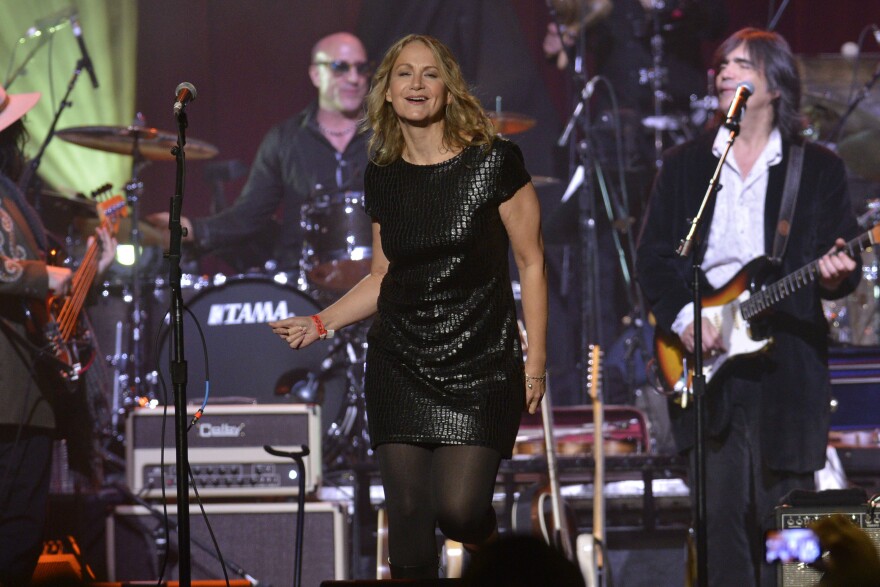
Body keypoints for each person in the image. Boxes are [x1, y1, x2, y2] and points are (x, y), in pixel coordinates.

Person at [270, 34, 548, 579]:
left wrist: (534, 362)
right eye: (404, 74)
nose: (417, 84)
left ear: (448, 88)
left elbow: (532, 262)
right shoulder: (384, 174)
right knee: (412, 533)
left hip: (481, 360)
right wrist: (321, 321)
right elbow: (383, 275)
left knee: (460, 510)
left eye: (429, 73)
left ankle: (497, 556)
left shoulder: (494, 161)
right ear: (388, 93)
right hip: (399, 362)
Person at [635, 28, 861, 586]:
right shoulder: (687, 166)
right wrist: (687, 321)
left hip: (789, 369)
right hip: (707, 367)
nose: (723, 74)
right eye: (721, 66)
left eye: (742, 65)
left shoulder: (821, 169)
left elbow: (836, 268)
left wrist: (839, 273)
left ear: (775, 85)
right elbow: (654, 260)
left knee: (791, 526)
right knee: (720, 522)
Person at [0, 84, 116, 585]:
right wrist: (51, 276)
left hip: (28, 389)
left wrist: (92, 271)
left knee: (21, 532)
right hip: (9, 392)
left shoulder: (10, 195)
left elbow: (50, 303)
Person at [146, 31, 371, 274]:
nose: (354, 78)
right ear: (316, 74)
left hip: (380, 280)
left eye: (361, 68)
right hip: (304, 280)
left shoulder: (387, 135)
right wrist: (189, 228)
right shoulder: (285, 139)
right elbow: (249, 215)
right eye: (340, 67)